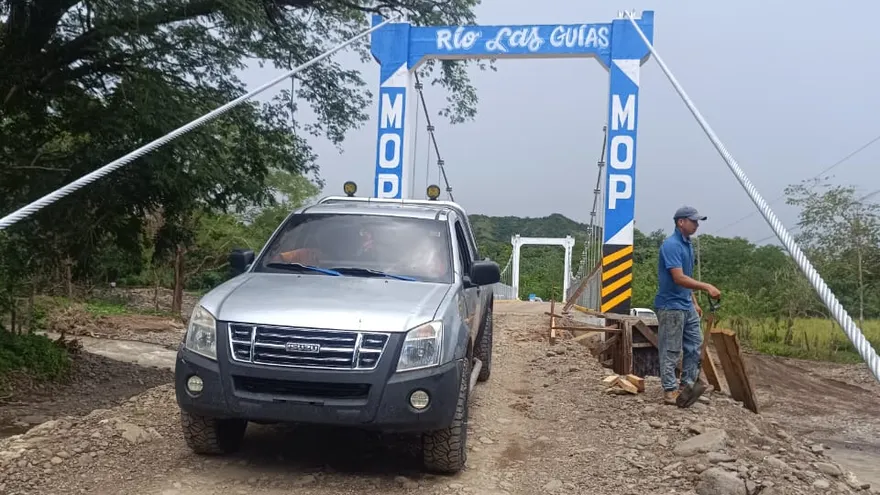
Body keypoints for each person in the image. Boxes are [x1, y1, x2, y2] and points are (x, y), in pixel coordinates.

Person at [654, 206, 721, 406]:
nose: (697, 225)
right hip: (671, 306)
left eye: (697, 221)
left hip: (686, 304)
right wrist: (706, 286)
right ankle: (670, 390)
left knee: (695, 346)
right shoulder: (671, 245)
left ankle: (687, 388)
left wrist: (694, 302)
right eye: (693, 221)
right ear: (680, 222)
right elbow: (679, 278)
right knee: (671, 349)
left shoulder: (688, 245)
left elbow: (687, 278)